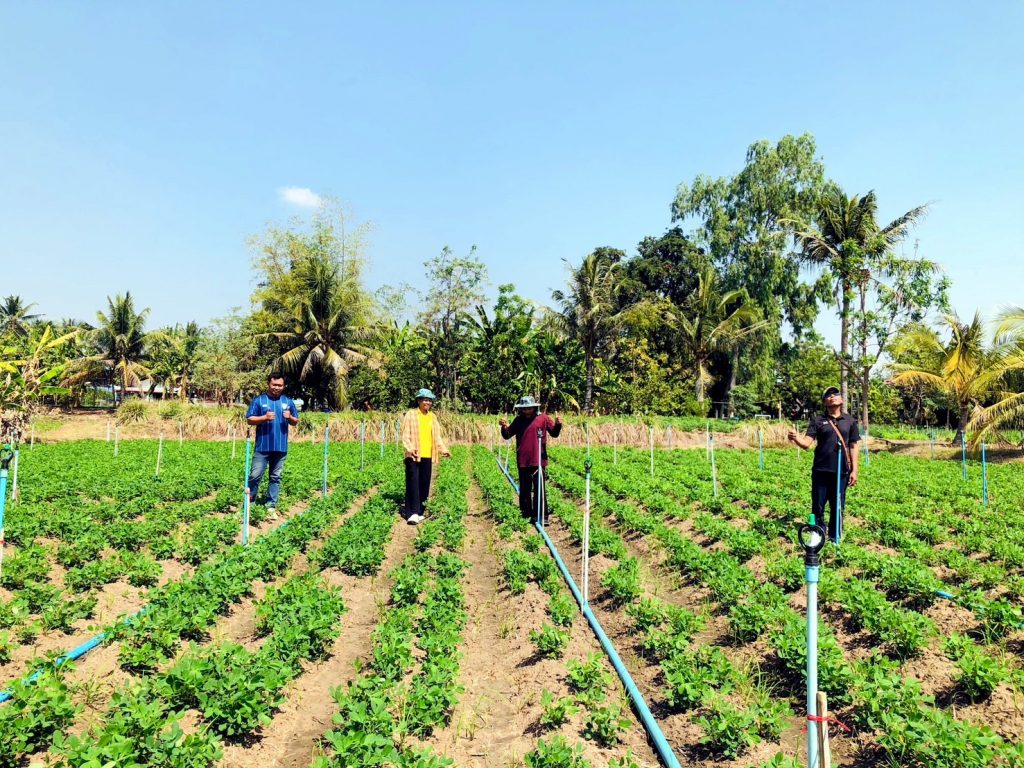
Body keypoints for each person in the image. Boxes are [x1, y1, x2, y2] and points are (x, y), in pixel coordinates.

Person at [787, 386, 860, 543]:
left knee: (837, 505)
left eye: (835, 394)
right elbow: (806, 443)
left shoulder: (850, 421)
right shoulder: (818, 421)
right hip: (821, 470)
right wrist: (795, 438)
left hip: (841, 471)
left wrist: (854, 470)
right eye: (828, 395)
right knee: (818, 506)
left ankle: (835, 537)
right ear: (824, 401)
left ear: (841, 399)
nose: (832, 397)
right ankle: (818, 535)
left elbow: (853, 446)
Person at [245, 373, 300, 520]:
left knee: (275, 477)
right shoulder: (259, 400)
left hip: (281, 447)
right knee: (255, 476)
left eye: (280, 385)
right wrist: (264, 417)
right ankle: (249, 504)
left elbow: (295, 421)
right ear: (269, 384)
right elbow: (249, 419)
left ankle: (271, 506)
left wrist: (290, 417)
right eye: (274, 384)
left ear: (283, 386)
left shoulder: (288, 401)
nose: (277, 387)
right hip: (262, 447)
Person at [500, 395, 563, 522]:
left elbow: (554, 433)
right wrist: (504, 427)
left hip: (538, 459)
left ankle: (542, 515)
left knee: (540, 488)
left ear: (534, 407)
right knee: (525, 489)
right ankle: (526, 514)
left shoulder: (543, 418)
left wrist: (558, 425)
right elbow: (507, 435)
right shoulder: (518, 420)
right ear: (521, 409)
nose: (527, 410)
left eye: (529, 408)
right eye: (525, 408)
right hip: (523, 460)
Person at [400, 388, 450, 525]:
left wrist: (443, 449)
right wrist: (410, 448)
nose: (427, 402)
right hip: (413, 455)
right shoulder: (411, 414)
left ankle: (420, 511)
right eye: (425, 400)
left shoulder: (432, 417)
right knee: (413, 483)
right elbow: (405, 435)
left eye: (429, 400)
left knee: (424, 483)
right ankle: (412, 513)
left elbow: (437, 437)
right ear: (418, 401)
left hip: (428, 455)